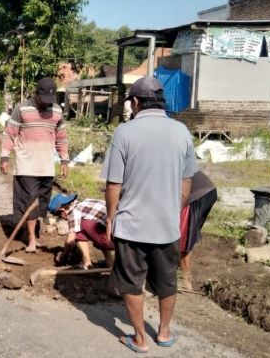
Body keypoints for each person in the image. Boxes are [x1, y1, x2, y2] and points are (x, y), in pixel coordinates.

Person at [101, 76, 197, 353]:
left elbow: (114, 183)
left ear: (135, 102)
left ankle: (140, 338)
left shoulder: (125, 132)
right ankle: (164, 333)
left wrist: (110, 218)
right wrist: (174, 211)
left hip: (132, 226)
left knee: (131, 283)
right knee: (167, 281)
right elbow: (187, 180)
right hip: (167, 226)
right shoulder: (181, 132)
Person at [0, 77, 69, 253]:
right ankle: (32, 239)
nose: (46, 104)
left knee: (41, 205)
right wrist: (4, 156)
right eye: (43, 99)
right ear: (36, 93)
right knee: (30, 201)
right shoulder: (22, 108)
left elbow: (61, 137)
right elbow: (9, 134)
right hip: (26, 165)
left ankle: (27, 233)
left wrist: (64, 159)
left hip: (46, 167)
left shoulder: (57, 111)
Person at [48, 193, 115, 270]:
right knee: (96, 227)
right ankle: (110, 263)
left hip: (115, 240)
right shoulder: (87, 202)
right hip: (124, 235)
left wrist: (64, 255)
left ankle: (87, 264)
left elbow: (70, 241)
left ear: (62, 210)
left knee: (79, 228)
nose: (62, 218)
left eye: (58, 215)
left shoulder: (74, 212)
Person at [179, 170, 217, 291]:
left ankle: (186, 282)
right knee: (187, 233)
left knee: (183, 240)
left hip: (196, 194)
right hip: (208, 190)